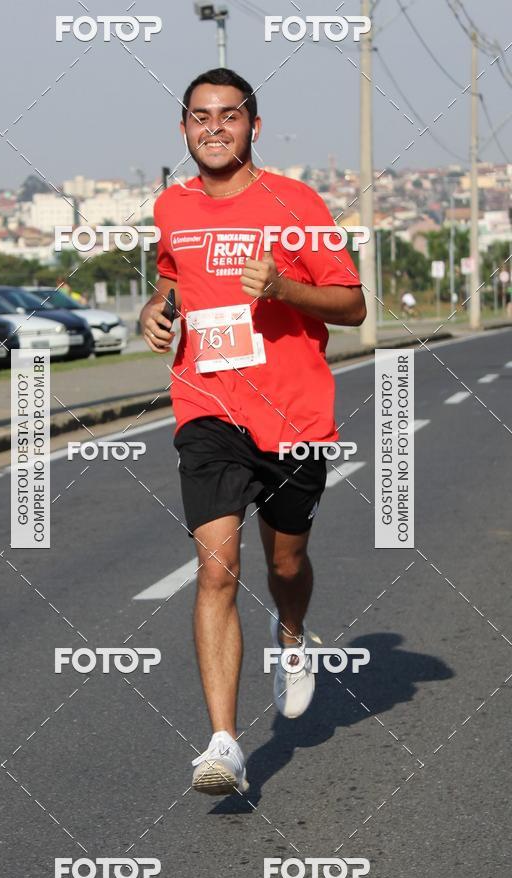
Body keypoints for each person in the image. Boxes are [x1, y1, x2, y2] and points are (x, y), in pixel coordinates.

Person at [139, 68, 366, 796]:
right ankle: (225, 743)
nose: (213, 128)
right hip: (208, 409)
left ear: (253, 127)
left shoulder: (296, 204)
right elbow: (171, 273)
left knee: (287, 563)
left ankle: (292, 637)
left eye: (228, 116)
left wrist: (284, 289)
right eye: (200, 117)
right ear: (183, 129)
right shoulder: (171, 206)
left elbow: (353, 305)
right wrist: (155, 306)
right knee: (217, 567)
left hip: (294, 414)